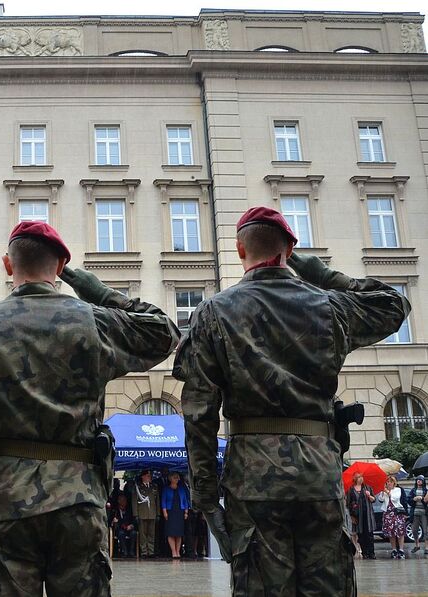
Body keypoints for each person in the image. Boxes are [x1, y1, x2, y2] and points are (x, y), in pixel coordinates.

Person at [174, 206, 410, 595]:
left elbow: (199, 414)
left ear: (238, 250)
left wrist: (204, 494)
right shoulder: (329, 305)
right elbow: (392, 303)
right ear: (289, 251)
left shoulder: (213, 312)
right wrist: (315, 270)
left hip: (253, 477)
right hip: (319, 470)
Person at [0, 221, 180, 596]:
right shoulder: (92, 322)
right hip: (78, 500)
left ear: (7, 265)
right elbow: (163, 330)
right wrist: (91, 287)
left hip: (7, 503)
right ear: (62, 266)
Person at [346, 473, 376, 559]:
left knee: (370, 534)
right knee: (361, 535)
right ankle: (365, 553)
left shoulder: (367, 488)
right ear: (355, 479)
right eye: (359, 477)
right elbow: (348, 504)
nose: (361, 478)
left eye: (362, 477)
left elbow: (374, 500)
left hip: (368, 515)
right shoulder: (351, 490)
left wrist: (369, 495)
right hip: (358, 516)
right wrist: (351, 516)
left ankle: (372, 553)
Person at [161, 473, 190, 559]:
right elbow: (163, 501)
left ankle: (178, 551)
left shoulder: (181, 489)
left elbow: (185, 501)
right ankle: (173, 551)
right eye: (175, 478)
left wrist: (186, 511)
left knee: (179, 533)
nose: (177, 479)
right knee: (171, 533)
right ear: (170, 479)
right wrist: (164, 512)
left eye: (177, 478)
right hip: (170, 512)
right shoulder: (166, 489)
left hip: (179, 512)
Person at [134, 470, 160, 558]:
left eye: (150, 476)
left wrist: (158, 514)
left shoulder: (154, 486)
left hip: (152, 513)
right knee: (143, 534)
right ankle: (144, 552)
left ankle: (151, 551)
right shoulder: (138, 487)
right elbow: (134, 502)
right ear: (143, 477)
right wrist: (135, 515)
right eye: (148, 476)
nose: (149, 477)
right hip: (142, 513)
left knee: (151, 534)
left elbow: (157, 501)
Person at [383, 476, 408, 559]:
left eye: (390, 481)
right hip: (388, 513)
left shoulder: (398, 490)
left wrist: (388, 492)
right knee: (391, 532)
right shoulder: (384, 490)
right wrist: (383, 492)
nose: (389, 483)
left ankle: (401, 549)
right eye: (387, 481)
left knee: (400, 531)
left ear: (394, 482)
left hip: (397, 513)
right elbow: (380, 499)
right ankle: (394, 549)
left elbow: (395, 498)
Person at [110, 493, 136, 559]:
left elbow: (134, 519)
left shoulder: (129, 509)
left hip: (129, 527)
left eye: (124, 500)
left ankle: (131, 551)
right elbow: (111, 520)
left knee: (134, 533)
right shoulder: (115, 510)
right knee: (121, 534)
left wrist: (131, 525)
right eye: (121, 500)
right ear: (118, 501)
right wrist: (114, 521)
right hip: (120, 528)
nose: (123, 502)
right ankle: (124, 551)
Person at [409, 475, 428, 555]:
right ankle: (417, 545)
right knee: (414, 530)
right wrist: (414, 499)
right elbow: (408, 500)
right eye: (418, 480)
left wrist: (422, 498)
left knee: (426, 530)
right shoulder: (413, 490)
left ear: (423, 481)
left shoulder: (426, 490)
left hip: (424, 513)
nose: (419, 481)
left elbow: (426, 501)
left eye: (420, 480)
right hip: (415, 512)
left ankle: (427, 547)